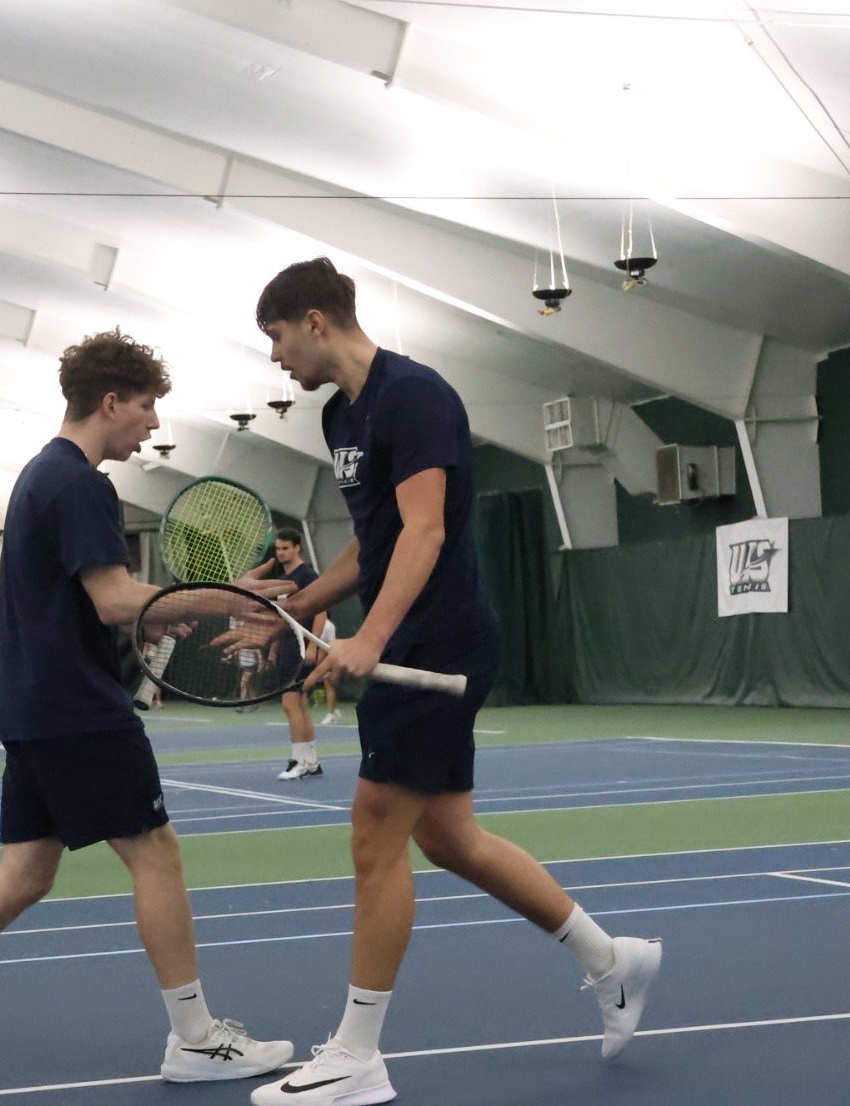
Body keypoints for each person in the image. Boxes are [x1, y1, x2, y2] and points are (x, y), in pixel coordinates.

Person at [247, 259, 663, 1105]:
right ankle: (610, 960)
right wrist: (296, 603)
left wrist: (370, 634)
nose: (276, 359)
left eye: (278, 338)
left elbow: (426, 532)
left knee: (374, 834)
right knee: (447, 837)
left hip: (437, 645)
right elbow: (373, 540)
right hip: (412, 638)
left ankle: (358, 1055)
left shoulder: (418, 396)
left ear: (316, 321)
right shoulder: (339, 418)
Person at [0, 329, 291, 1097]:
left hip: (33, 703)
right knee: (156, 854)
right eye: (145, 408)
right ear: (109, 401)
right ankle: (194, 1037)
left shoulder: (40, 476)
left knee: (24, 873)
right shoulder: (81, 483)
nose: (152, 425)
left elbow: (89, 604)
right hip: (76, 708)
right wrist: (231, 600)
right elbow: (114, 598)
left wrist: (159, 615)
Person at [269, 528, 326, 780]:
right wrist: (274, 647)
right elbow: (284, 618)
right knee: (300, 703)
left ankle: (298, 760)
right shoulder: (284, 578)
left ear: (297, 548)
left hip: (302, 649)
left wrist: (313, 646)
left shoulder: (307, 576)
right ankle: (311, 761)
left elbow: (322, 610)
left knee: (289, 703)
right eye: (277, 548)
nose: (280, 553)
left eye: (284, 548)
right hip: (287, 647)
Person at [317, 616, 341, 725]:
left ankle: (331, 715)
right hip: (314, 660)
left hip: (328, 659)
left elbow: (332, 646)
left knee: (329, 686)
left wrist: (327, 663)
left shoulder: (329, 626)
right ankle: (335, 710)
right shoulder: (312, 623)